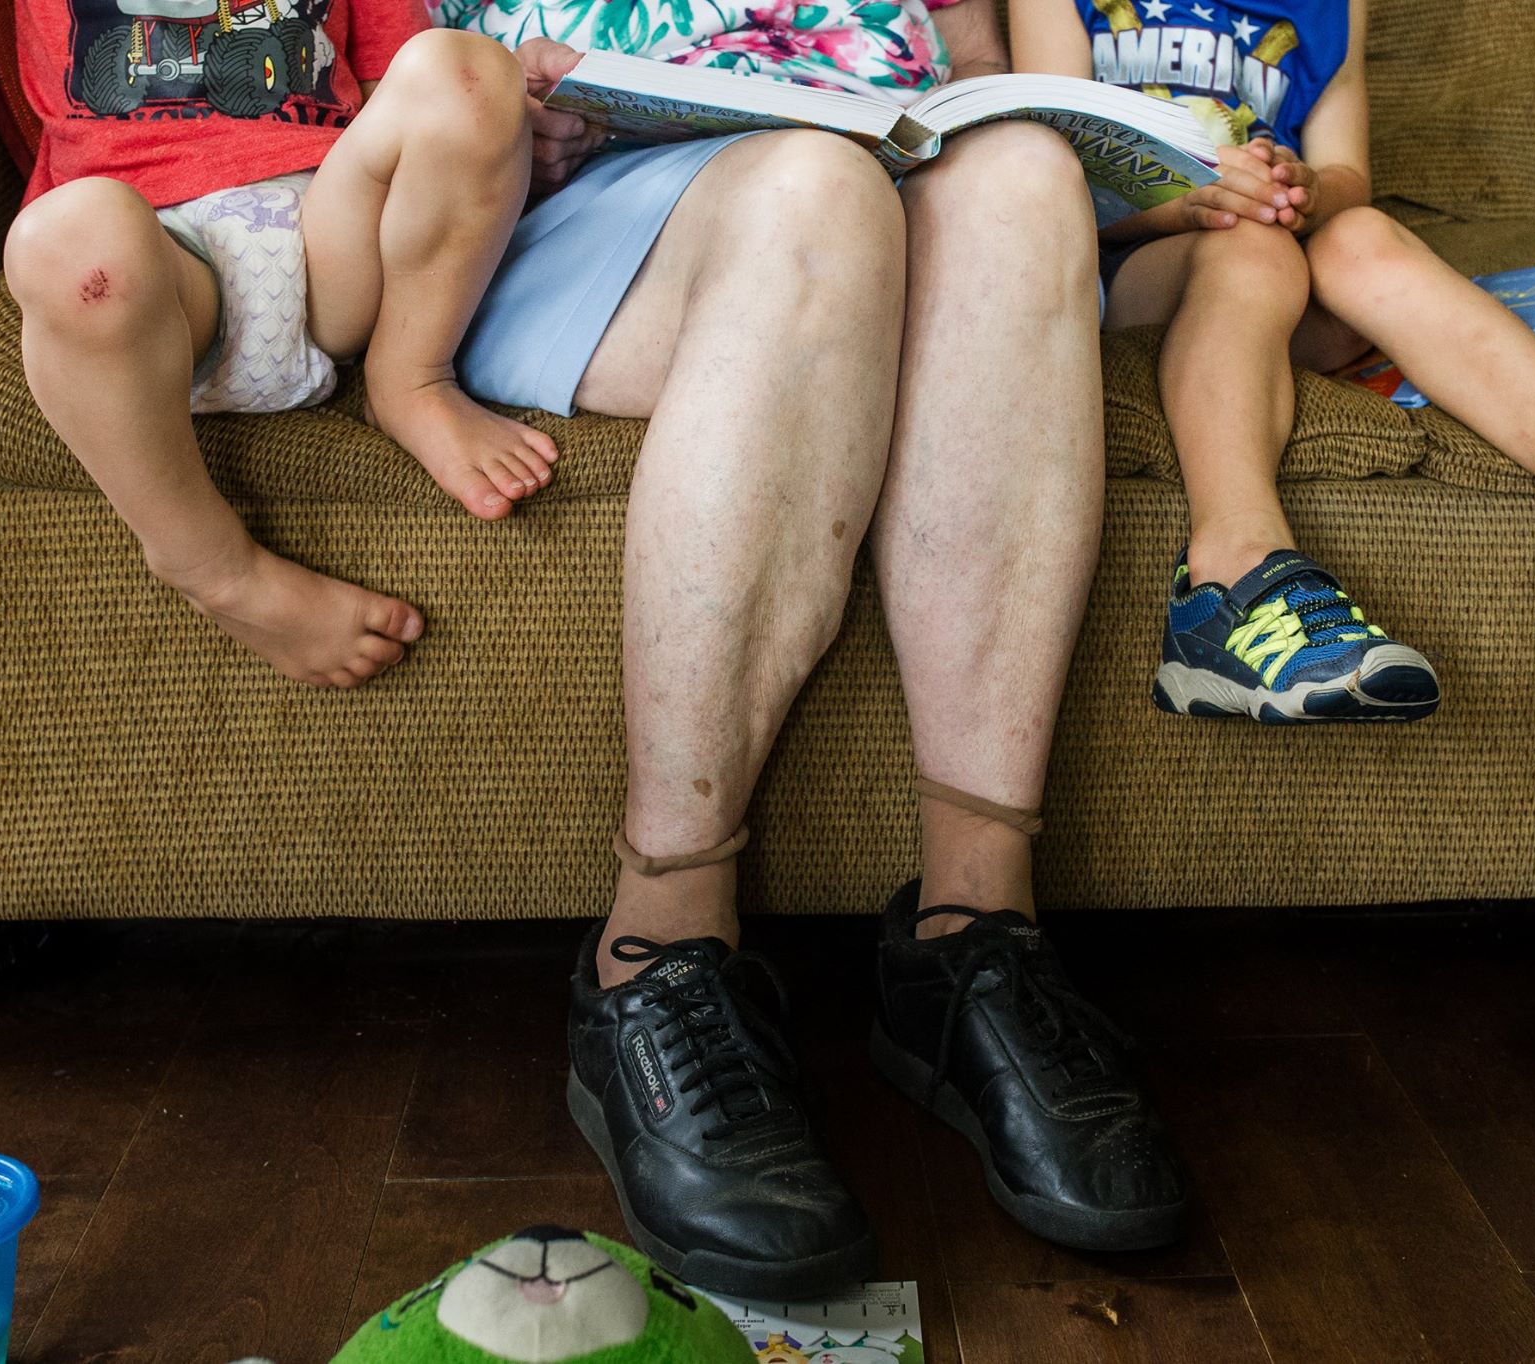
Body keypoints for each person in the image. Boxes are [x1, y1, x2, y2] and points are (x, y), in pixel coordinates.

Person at [442, 0, 1189, 1298]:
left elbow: (973, 66)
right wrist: (499, 107)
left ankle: (971, 942)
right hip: (587, 209)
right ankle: (655, 951)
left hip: (882, 181)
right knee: (817, 191)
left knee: (1019, 178)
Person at [1007, 0, 1535, 720]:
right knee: (1253, 252)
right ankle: (1227, 579)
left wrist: (1309, 190)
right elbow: (1053, 171)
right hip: (1132, 272)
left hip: (1287, 265)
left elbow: (1350, 176)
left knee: (1361, 235)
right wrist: (1195, 199)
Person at [5, 0, 551, 689]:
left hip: (332, 236)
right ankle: (213, 568)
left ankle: (411, 377)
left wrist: (501, 126)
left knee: (468, 71)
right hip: (158, 266)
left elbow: (401, 97)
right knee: (65, 242)